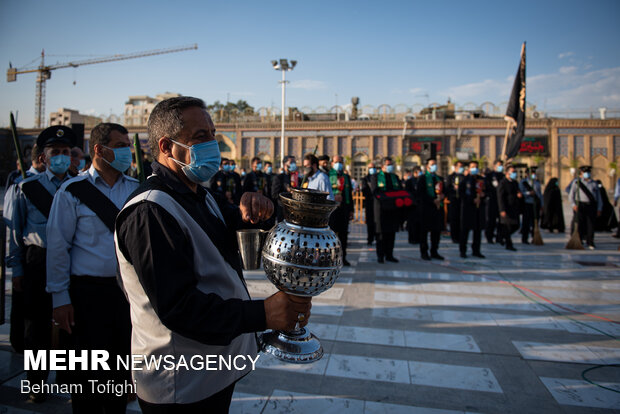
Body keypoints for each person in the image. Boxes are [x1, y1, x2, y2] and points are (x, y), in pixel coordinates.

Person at [114, 96, 311, 412]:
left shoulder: (199, 195)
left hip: (213, 369)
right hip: (180, 381)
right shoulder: (150, 211)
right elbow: (179, 307)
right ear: (166, 146)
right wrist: (262, 314)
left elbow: (236, 219)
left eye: (212, 134)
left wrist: (258, 209)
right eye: (200, 137)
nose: (213, 145)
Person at [47, 123, 139, 413]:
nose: (128, 150)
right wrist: (60, 299)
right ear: (99, 149)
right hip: (87, 295)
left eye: (127, 144)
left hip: (127, 295)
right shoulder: (72, 191)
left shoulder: (137, 190)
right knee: (88, 378)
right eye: (121, 145)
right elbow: (58, 246)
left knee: (119, 371)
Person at [8, 125, 76, 402]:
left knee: (70, 325)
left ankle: (68, 379)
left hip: (71, 262)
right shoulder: (25, 188)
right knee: (36, 327)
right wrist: (18, 270)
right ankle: (36, 383)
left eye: (65, 152)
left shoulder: (79, 187)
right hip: (37, 260)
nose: (61, 156)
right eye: (55, 152)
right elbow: (15, 234)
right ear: (44, 157)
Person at [3, 144, 45, 355]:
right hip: (32, 257)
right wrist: (16, 266)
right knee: (25, 311)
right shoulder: (21, 183)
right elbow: (14, 232)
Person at [369, 157, 402, 263]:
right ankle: (380, 255)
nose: (390, 166)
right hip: (381, 209)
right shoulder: (376, 177)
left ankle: (389, 254)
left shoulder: (395, 177)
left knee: (391, 233)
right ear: (383, 166)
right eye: (388, 165)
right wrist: (389, 197)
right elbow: (375, 191)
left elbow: (400, 191)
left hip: (393, 209)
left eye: (391, 164)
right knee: (381, 233)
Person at [417, 158, 444, 261]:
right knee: (424, 232)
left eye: (435, 164)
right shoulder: (423, 178)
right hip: (426, 209)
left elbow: (443, 191)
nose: (434, 166)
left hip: (437, 209)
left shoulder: (439, 179)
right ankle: (424, 252)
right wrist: (432, 200)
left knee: (436, 231)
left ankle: (434, 251)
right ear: (427, 166)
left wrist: (442, 196)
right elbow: (420, 194)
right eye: (432, 164)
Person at [329, 155, 354, 266]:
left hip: (344, 209)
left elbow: (350, 194)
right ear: (332, 163)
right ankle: (331, 258)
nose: (338, 164)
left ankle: (343, 257)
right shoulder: (328, 175)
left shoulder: (346, 177)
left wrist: (351, 210)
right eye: (336, 162)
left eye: (340, 162)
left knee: (344, 234)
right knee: (332, 234)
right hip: (332, 209)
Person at [458, 161, 486, 258]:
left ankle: (476, 250)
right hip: (467, 208)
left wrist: (483, 195)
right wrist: (471, 199)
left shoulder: (481, 180)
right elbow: (461, 194)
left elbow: (487, 191)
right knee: (465, 231)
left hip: (478, 209)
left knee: (477, 231)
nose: (475, 169)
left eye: (476, 167)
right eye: (473, 167)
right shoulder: (465, 180)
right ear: (469, 168)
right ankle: (463, 250)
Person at [497, 165, 522, 251]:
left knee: (516, 225)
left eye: (515, 172)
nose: (514, 174)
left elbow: (517, 191)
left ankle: (501, 236)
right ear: (507, 173)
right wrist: (502, 209)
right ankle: (509, 244)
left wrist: (519, 195)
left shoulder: (515, 182)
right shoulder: (503, 183)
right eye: (512, 172)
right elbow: (500, 197)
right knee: (507, 227)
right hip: (506, 207)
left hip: (514, 207)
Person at [272, 156, 300, 222]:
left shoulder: (297, 177)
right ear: (285, 165)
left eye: (294, 162)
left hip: (296, 211)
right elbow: (274, 195)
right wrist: (288, 193)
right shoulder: (279, 178)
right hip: (283, 211)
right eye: (291, 162)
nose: (293, 164)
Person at [519, 167, 543, 244]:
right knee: (526, 222)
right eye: (532, 173)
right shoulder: (523, 182)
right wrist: (529, 193)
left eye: (534, 173)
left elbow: (539, 194)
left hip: (535, 204)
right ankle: (524, 238)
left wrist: (541, 204)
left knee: (535, 221)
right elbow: (521, 193)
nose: (533, 175)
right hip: (527, 203)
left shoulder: (537, 182)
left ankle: (534, 237)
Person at [485, 160, 504, 244]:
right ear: (494, 166)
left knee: (501, 221)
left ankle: (499, 237)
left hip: (501, 201)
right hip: (492, 200)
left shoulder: (503, 176)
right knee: (491, 220)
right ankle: (489, 236)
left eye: (501, 165)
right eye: (499, 165)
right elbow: (486, 187)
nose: (500, 167)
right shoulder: (489, 176)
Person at [445, 160, 464, 244]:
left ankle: (460, 237)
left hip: (462, 200)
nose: (461, 168)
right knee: (454, 219)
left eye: (461, 167)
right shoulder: (450, 177)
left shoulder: (464, 177)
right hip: (453, 200)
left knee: (461, 219)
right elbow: (447, 188)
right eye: (459, 166)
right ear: (455, 167)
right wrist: (453, 190)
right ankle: (454, 236)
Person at [361, 163, 377, 245]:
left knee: (377, 221)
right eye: (371, 168)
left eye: (373, 167)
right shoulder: (365, 179)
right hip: (369, 203)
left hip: (377, 203)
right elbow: (364, 190)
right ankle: (370, 238)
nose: (372, 169)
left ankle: (377, 237)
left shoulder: (379, 178)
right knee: (370, 221)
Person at [405, 166, 421, 245]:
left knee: (419, 222)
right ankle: (412, 238)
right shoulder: (409, 181)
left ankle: (418, 238)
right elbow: (407, 193)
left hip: (419, 204)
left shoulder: (421, 180)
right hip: (411, 204)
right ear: (414, 173)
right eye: (418, 172)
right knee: (412, 223)